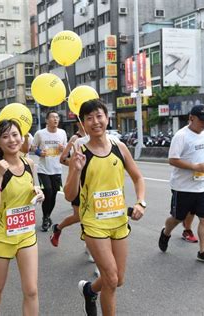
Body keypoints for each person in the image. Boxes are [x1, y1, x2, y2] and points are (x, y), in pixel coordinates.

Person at [64, 99, 146, 316]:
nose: (95, 122)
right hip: (94, 224)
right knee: (110, 278)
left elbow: (138, 177)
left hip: (119, 221)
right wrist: (76, 170)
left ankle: (90, 290)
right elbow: (70, 195)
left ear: (107, 118)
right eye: (89, 118)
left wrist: (141, 201)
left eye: (99, 116)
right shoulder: (81, 153)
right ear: (83, 124)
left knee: (118, 279)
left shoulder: (119, 147)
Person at [0, 119, 44, 316]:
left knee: (32, 290)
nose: (12, 140)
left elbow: (31, 189)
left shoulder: (29, 164)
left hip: (26, 235)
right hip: (1, 237)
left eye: (15, 134)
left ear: (21, 136)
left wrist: (38, 192)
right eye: (5, 136)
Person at [158, 105, 204, 265]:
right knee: (177, 218)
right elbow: (172, 159)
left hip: (203, 186)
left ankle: (203, 251)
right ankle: (166, 232)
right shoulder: (181, 136)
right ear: (191, 118)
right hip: (183, 188)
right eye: (202, 120)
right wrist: (195, 167)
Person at [32, 110, 67, 231]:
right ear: (47, 120)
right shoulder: (40, 133)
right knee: (47, 191)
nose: (56, 119)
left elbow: (65, 149)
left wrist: (63, 149)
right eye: (53, 117)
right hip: (43, 169)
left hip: (57, 169)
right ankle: (46, 218)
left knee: (53, 195)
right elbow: (33, 147)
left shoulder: (62, 133)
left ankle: (47, 216)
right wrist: (39, 152)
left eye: (57, 117)